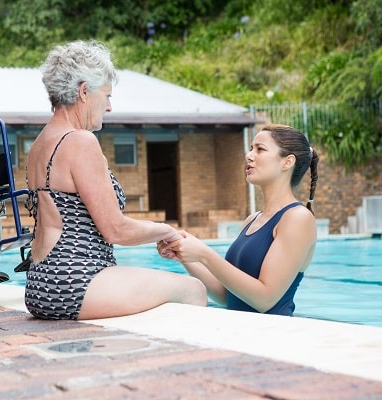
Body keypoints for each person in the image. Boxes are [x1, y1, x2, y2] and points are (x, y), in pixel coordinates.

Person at [24, 40, 207, 320]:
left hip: (40, 285)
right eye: (106, 95)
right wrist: (165, 231)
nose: (109, 106)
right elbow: (115, 230)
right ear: (84, 91)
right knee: (193, 290)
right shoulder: (80, 141)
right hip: (75, 283)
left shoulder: (38, 145)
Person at [159, 124, 319, 316]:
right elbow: (227, 296)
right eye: (251, 148)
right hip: (241, 333)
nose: (249, 155)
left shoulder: (298, 219)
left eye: (260, 149)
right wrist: (183, 253)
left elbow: (265, 299)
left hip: (272, 336)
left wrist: (204, 255)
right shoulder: (252, 220)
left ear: (287, 162)